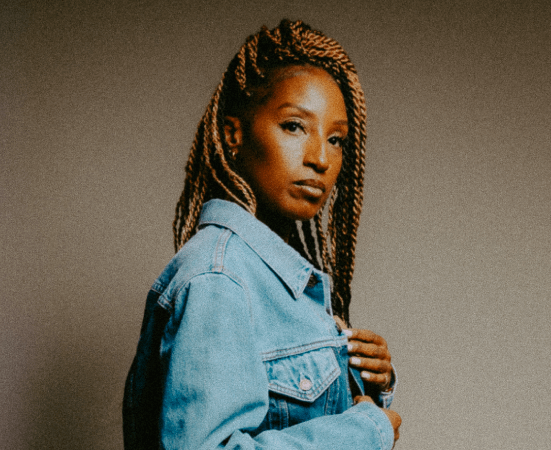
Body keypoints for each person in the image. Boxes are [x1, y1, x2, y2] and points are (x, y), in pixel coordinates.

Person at [123, 19, 401, 449]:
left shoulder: (275, 279)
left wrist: (361, 380)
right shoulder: (220, 278)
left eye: (336, 139)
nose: (320, 159)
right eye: (294, 126)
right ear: (233, 134)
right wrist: (366, 431)